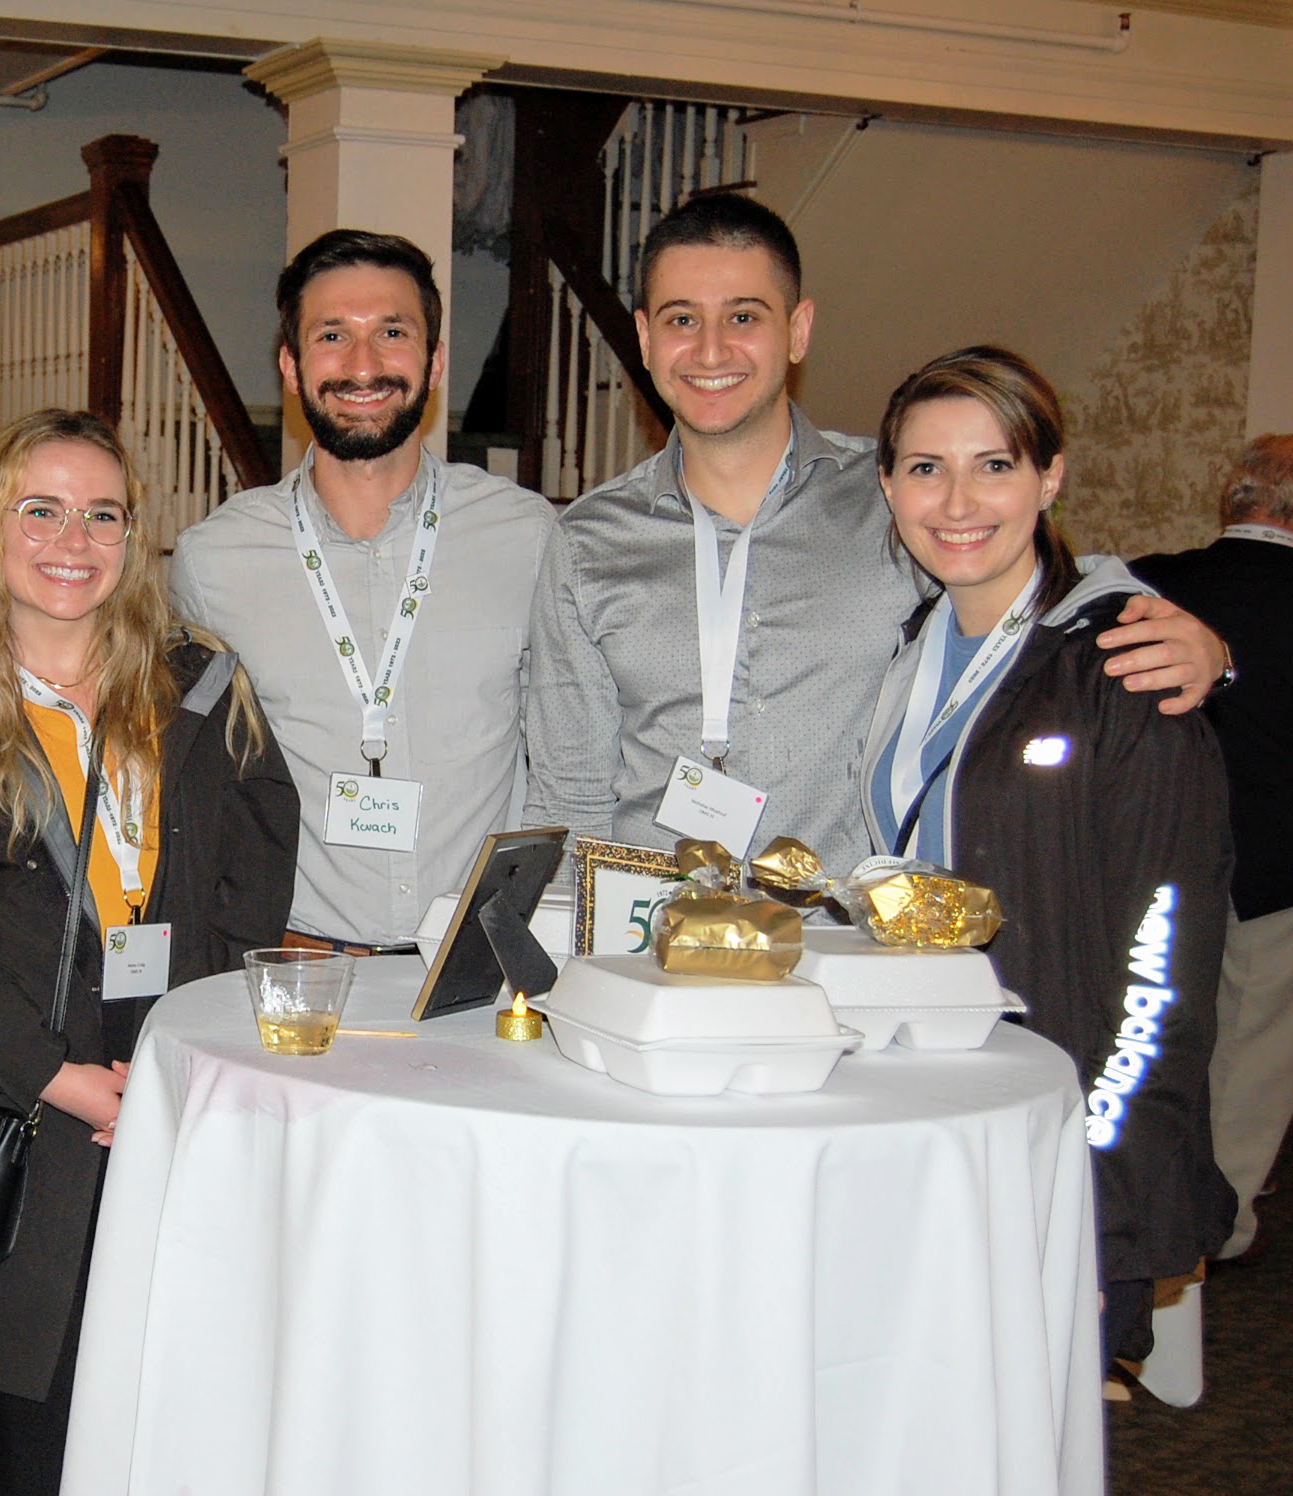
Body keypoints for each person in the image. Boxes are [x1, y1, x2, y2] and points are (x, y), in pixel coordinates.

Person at [0, 409, 297, 1494]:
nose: (74, 538)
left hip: (174, 1081)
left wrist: (195, 1037)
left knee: (179, 1413)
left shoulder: (196, 681)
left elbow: (259, 849)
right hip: (27, 1098)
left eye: (103, 513)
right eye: (40, 509)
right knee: (35, 1434)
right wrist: (55, 1075)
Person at [525, 193, 1228, 873]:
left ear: (798, 330)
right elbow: (569, 789)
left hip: (849, 950)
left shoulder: (895, 493)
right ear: (646, 337)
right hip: (654, 950)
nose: (711, 350)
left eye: (744, 316)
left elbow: (1034, 578)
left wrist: (1209, 647)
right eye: (682, 320)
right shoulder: (590, 540)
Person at [858, 345, 1235, 1365]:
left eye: (996, 464)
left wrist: (1097, 1161)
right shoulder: (910, 650)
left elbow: (1166, 963)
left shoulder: (1125, 668)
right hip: (929, 1111)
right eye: (927, 468)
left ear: (1051, 475)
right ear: (888, 483)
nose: (958, 500)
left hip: (1064, 1138)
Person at [173, 229, 553, 951]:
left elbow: (565, 751)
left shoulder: (528, 539)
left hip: (482, 968)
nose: (363, 365)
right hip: (296, 965)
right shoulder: (214, 560)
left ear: (435, 360)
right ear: (291, 366)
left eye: (392, 332)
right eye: (331, 336)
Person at [1133, 434, 1293, 1263]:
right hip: (1277, 873)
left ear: (1235, 500)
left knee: (1144, 1045)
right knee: (1250, 1063)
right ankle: (1213, 1230)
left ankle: (1131, 1208)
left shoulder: (1150, 582)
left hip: (1157, 859)